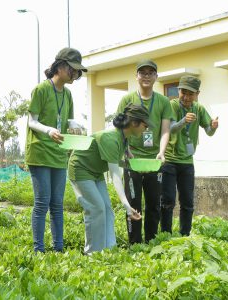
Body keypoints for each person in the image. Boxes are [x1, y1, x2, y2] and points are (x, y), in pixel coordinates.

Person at [25, 47, 87, 253]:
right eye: (73, 69)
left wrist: (76, 129)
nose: (76, 74)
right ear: (60, 66)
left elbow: (67, 121)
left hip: (58, 153)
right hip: (40, 152)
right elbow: (32, 121)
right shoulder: (41, 89)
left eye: (78, 71)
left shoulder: (68, 94)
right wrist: (48, 130)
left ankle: (58, 249)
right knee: (42, 202)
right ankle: (38, 250)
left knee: (57, 204)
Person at [68, 104, 152, 254]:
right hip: (81, 169)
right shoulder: (111, 138)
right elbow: (115, 176)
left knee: (107, 209)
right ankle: (92, 253)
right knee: (96, 208)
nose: (145, 130)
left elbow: (117, 158)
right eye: (145, 126)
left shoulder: (123, 138)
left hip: (95, 172)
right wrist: (127, 206)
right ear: (134, 123)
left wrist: (129, 156)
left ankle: (109, 251)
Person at [116, 59, 172, 244]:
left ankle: (151, 242)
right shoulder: (127, 100)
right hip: (132, 160)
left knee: (154, 205)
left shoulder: (164, 101)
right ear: (137, 76)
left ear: (156, 76)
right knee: (133, 203)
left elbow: (165, 130)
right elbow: (119, 128)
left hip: (154, 161)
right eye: (143, 73)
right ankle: (134, 243)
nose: (146, 76)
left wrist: (161, 152)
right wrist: (126, 150)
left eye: (150, 73)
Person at [161, 75, 218, 236]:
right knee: (167, 201)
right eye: (183, 92)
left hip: (187, 162)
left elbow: (209, 131)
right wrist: (184, 121)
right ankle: (165, 234)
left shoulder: (199, 108)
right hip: (169, 160)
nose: (186, 97)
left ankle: (184, 235)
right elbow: (171, 128)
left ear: (197, 94)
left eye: (190, 94)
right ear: (178, 91)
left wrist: (213, 126)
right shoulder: (171, 105)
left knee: (187, 202)